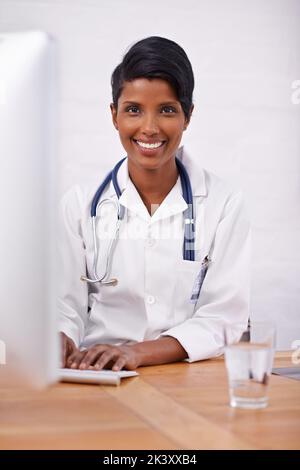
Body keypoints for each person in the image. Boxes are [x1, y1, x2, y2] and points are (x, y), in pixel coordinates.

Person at [59, 36, 251, 371]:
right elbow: (64, 305)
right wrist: (59, 335)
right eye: (133, 110)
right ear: (114, 115)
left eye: (166, 110)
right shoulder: (79, 204)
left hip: (187, 377)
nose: (149, 128)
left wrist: (138, 353)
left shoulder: (224, 205)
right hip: (98, 375)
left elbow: (225, 318)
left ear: (187, 116)